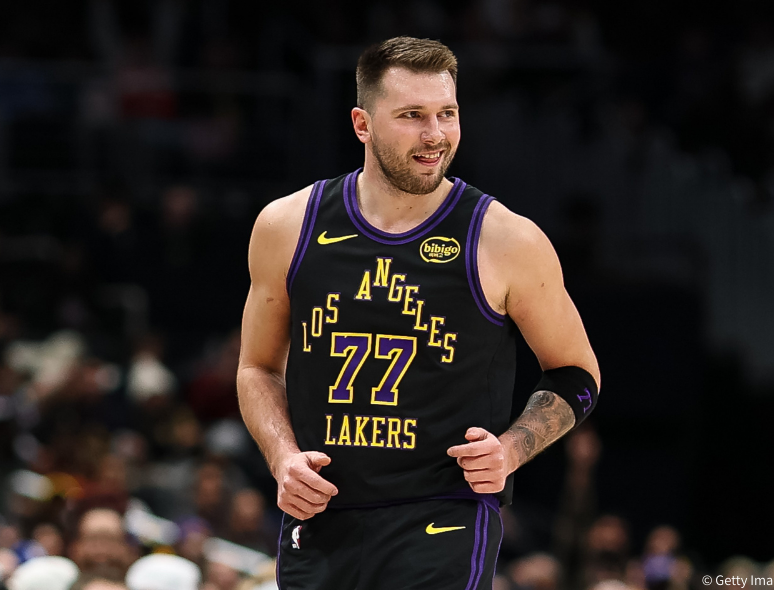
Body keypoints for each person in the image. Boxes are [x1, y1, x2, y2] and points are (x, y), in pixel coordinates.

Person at [237, 36, 601, 589]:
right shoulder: (287, 226)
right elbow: (257, 368)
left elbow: (577, 373)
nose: (435, 135)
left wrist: (510, 450)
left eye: (447, 114)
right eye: (412, 115)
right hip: (322, 514)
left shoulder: (507, 239)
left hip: (443, 515)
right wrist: (282, 456)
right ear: (362, 124)